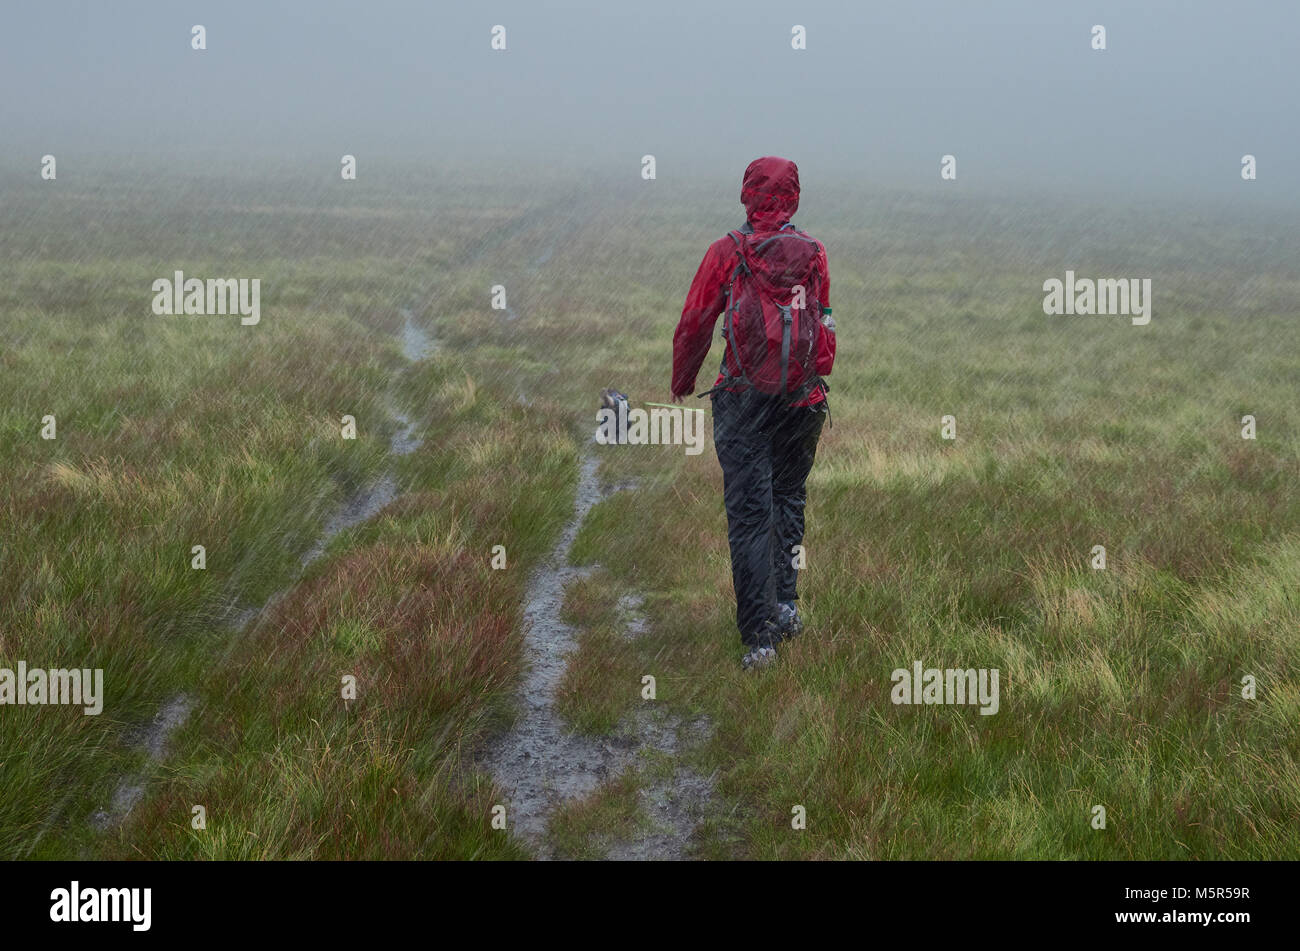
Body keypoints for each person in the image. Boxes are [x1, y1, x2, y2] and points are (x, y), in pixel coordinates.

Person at [670, 156, 835, 670]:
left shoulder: (727, 251)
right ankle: (785, 607)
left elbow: (696, 320)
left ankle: (760, 638)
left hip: (743, 401)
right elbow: (824, 324)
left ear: (746, 194)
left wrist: (683, 379)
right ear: (796, 197)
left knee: (749, 516)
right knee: (788, 501)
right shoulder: (814, 253)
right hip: (803, 401)